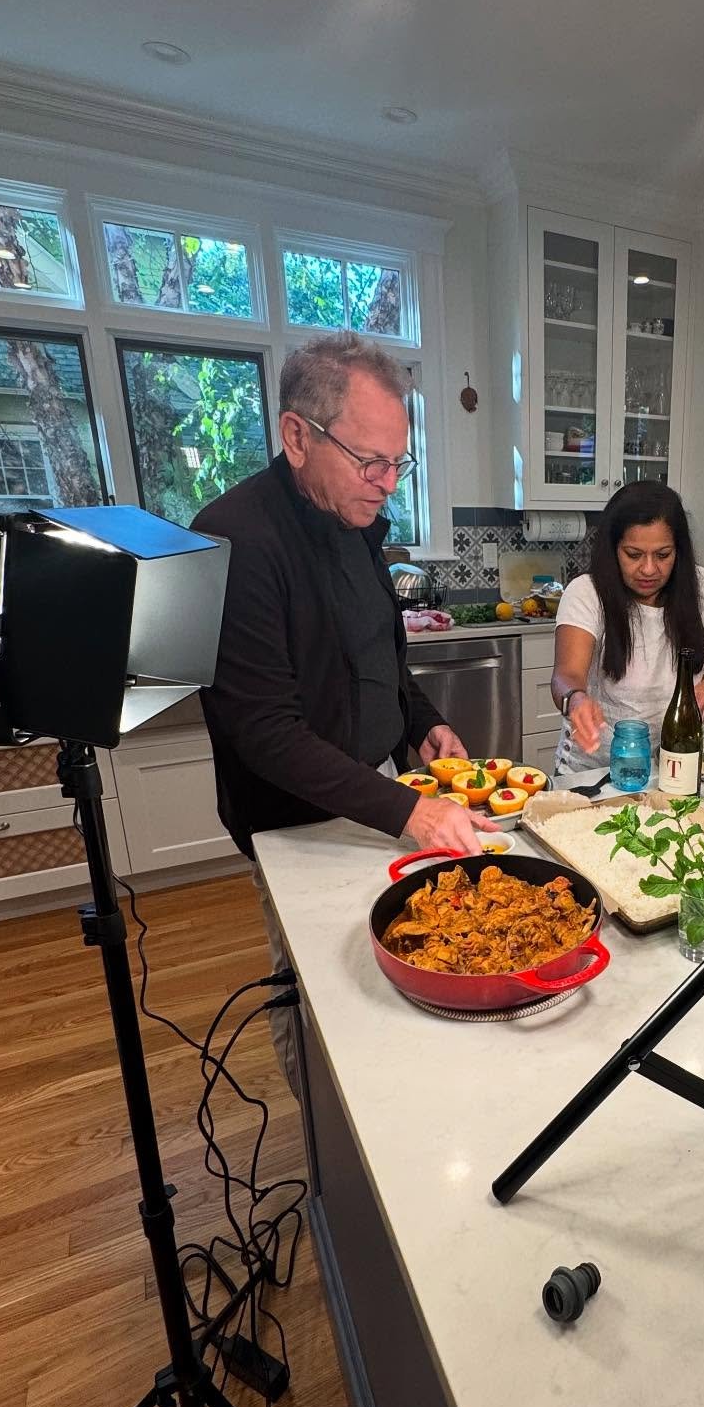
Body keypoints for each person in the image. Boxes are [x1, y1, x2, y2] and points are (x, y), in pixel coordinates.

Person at [195, 332, 496, 1089]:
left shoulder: (357, 521)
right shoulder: (235, 540)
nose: (388, 481)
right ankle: (327, 1151)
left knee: (396, 970)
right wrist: (412, 814)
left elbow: (379, 655)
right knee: (316, 993)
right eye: (371, 460)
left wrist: (421, 718)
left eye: (399, 461)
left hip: (377, 800)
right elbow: (263, 732)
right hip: (293, 825)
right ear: (297, 435)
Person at [550, 481, 704, 772]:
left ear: (679, 551)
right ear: (612, 551)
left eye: (663, 555)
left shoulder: (703, 589)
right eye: (634, 554)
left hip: (678, 764)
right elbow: (566, 675)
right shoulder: (586, 593)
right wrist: (576, 699)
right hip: (598, 771)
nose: (649, 569)